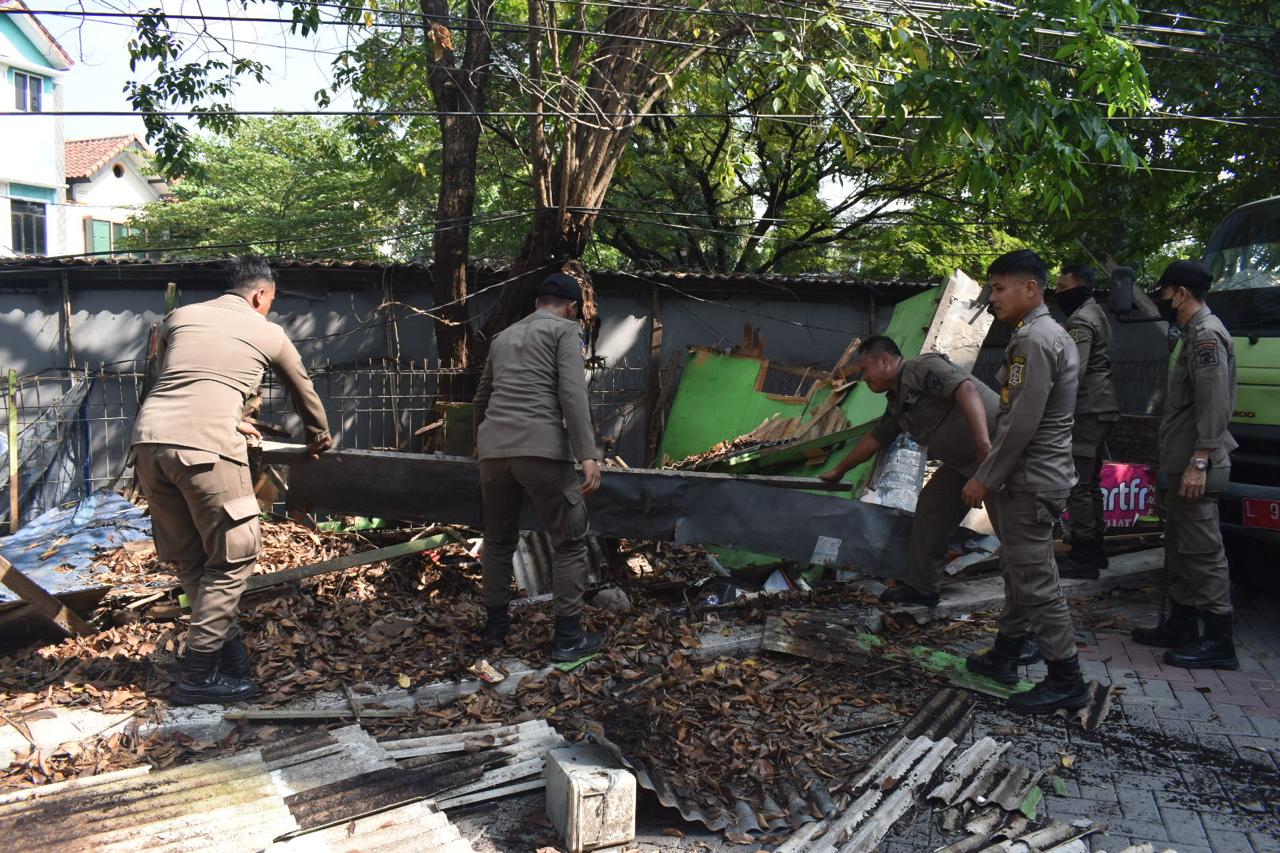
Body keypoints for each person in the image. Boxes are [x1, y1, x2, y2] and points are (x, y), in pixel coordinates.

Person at [132, 255, 332, 705]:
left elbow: (182, 379)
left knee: (194, 562)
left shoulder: (179, 317)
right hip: (205, 448)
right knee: (234, 559)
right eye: (271, 301)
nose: (269, 309)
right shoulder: (267, 331)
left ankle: (232, 661)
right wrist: (319, 438)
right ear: (261, 295)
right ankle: (196, 678)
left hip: (148, 444)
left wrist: (236, 415)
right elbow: (303, 390)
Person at [962, 249, 1093, 714]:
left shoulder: (1034, 340)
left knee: (1036, 579)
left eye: (999, 288)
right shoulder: (1045, 334)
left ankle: (1066, 679)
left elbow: (1021, 422)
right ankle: (1006, 653)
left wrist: (985, 477)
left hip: (1030, 478)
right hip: (1038, 476)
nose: (992, 297)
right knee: (1020, 568)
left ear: (1030, 288)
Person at [821, 338, 1024, 618]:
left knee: (1013, 535)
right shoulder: (897, 400)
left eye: (865, 368)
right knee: (932, 508)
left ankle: (1028, 615)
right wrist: (839, 470)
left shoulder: (921, 368)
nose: (864, 377)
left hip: (994, 452)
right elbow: (876, 438)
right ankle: (923, 588)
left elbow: (966, 389)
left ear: (886, 361)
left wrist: (983, 446)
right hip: (962, 463)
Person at [473, 271, 605, 663]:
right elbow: (572, 393)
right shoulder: (565, 331)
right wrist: (588, 453)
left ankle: (494, 634)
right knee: (569, 543)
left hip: (494, 454)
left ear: (536, 304)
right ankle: (567, 640)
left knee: (497, 543)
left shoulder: (503, 337)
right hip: (542, 452)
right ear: (572, 307)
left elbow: (482, 396)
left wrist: (481, 446)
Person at [1131, 260, 1238, 670]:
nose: (1162, 298)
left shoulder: (1207, 337)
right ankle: (1182, 626)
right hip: (1182, 461)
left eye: (1165, 291)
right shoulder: (1193, 334)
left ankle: (1218, 641)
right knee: (1180, 549)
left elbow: (1214, 405)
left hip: (1198, 462)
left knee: (1203, 552)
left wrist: (1200, 460)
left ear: (1182, 293)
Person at [1054, 264, 1120, 579]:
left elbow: (1073, 372)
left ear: (1081, 286)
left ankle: (1084, 555)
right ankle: (1096, 550)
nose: (1057, 292)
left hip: (1087, 409)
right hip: (1101, 407)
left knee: (1077, 483)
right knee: (1090, 483)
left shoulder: (1080, 320)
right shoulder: (1097, 312)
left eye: (1063, 286)